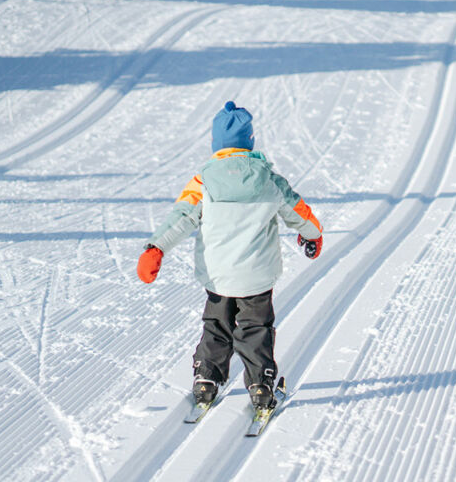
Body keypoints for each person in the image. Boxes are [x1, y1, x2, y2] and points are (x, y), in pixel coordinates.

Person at [137, 101, 325, 413]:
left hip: (219, 275)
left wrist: (156, 248)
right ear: (250, 141)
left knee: (217, 324)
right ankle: (262, 384)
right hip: (257, 275)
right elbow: (297, 211)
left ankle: (207, 379)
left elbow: (181, 217)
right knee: (255, 328)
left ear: (216, 145)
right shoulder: (268, 179)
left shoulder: (203, 182)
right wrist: (313, 233)